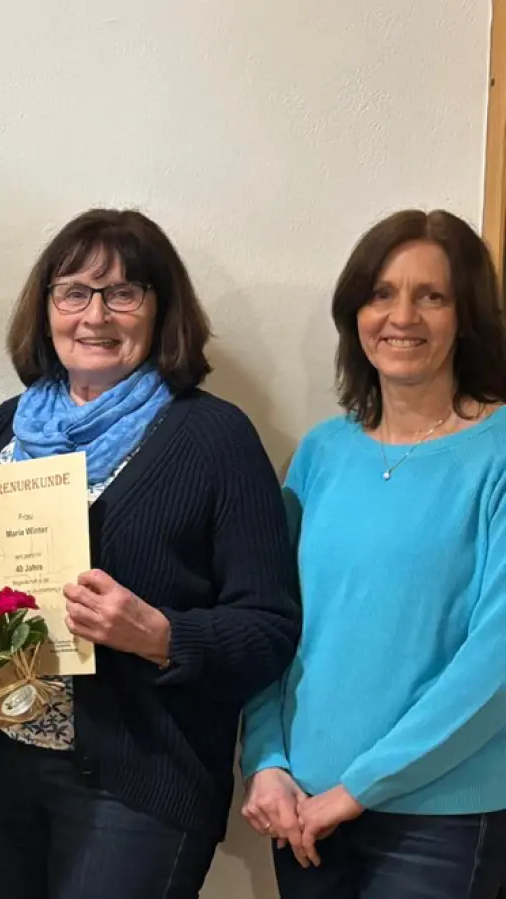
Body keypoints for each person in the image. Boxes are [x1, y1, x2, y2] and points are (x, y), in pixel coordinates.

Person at [0, 208, 301, 899]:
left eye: (123, 292)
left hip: (140, 782)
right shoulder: (8, 428)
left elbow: (269, 626)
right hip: (3, 771)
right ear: (47, 307)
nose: (95, 314)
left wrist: (160, 635)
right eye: (74, 291)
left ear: (160, 311)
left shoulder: (215, 437)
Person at [240, 209, 506, 898]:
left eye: (432, 296)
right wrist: (266, 759)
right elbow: (274, 621)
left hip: (442, 818)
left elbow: (496, 660)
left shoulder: (498, 450)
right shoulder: (321, 452)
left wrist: (358, 788)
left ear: (468, 315)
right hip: (304, 806)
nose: (402, 315)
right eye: (381, 293)